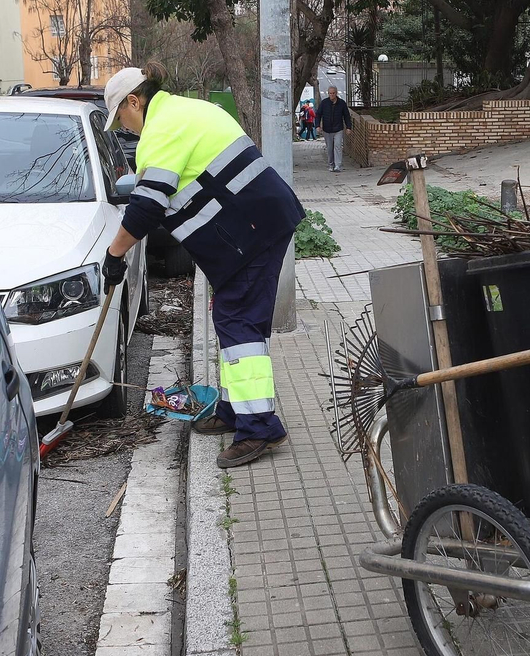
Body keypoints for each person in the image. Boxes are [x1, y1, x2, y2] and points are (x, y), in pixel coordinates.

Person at [99, 64, 306, 468]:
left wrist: (114, 255)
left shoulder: (163, 127)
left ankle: (260, 427)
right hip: (252, 228)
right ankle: (235, 411)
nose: (123, 127)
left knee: (239, 323)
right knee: (236, 321)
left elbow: (146, 206)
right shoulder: (183, 112)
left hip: (252, 233)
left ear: (134, 101)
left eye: (120, 117)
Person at [317, 85, 351, 172]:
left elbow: (346, 116)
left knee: (338, 146)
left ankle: (338, 165)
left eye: (333, 93)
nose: (331, 95)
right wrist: (317, 126)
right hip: (327, 129)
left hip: (338, 129)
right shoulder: (324, 103)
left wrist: (348, 127)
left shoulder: (342, 103)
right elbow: (318, 115)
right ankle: (331, 164)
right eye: (330, 93)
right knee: (329, 148)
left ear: (336, 93)